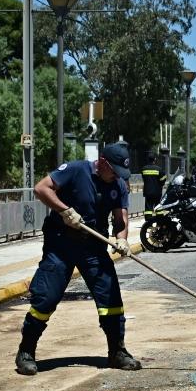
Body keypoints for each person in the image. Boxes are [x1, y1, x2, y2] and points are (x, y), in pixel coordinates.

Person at [15, 142, 141, 376]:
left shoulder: (118, 185)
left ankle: (117, 351)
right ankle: (26, 351)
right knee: (46, 297)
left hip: (94, 247)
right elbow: (41, 188)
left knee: (111, 298)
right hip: (61, 244)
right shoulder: (76, 170)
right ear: (102, 162)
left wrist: (121, 239)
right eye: (113, 171)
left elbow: (120, 218)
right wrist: (64, 211)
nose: (116, 177)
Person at [141, 152, 166, 220]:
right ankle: (160, 221)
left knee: (148, 208)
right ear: (155, 159)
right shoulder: (159, 169)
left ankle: (148, 223)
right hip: (157, 192)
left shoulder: (144, 169)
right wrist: (161, 184)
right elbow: (163, 179)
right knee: (158, 207)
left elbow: (144, 179)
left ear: (148, 159)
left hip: (148, 192)